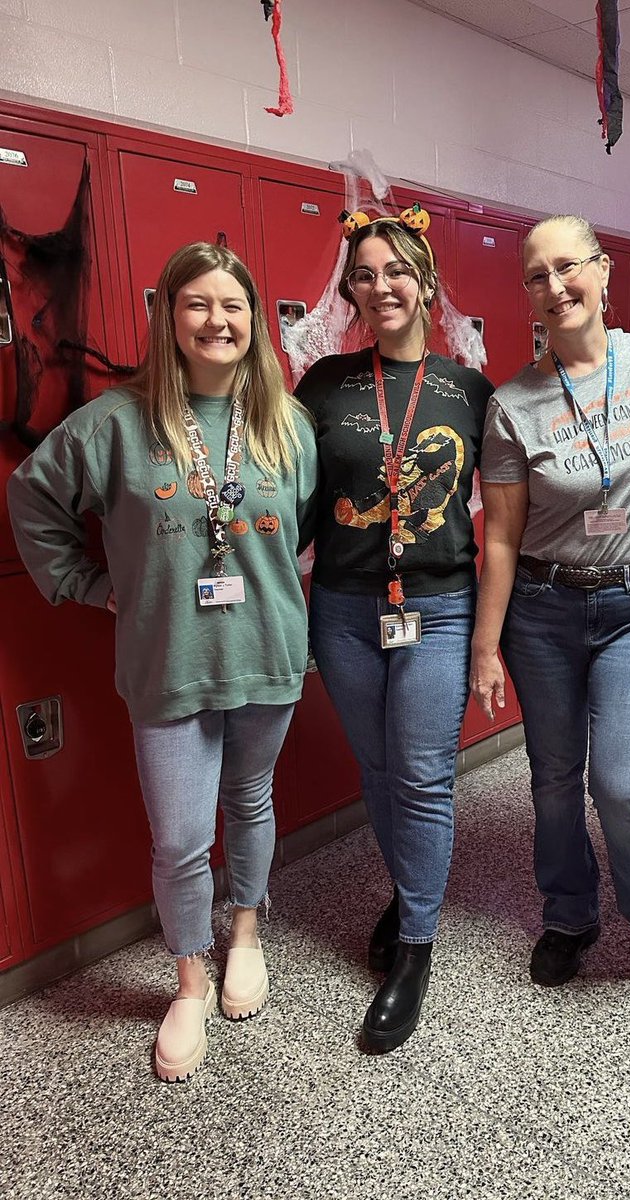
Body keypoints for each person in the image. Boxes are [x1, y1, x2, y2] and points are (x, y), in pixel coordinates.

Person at [7, 242, 318, 1081]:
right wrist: (85, 581)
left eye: (234, 306)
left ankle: (245, 932)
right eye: (198, 304)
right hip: (169, 661)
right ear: (169, 316)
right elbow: (31, 494)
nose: (218, 321)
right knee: (180, 837)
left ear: (254, 321)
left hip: (266, 651)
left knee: (250, 802)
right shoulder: (116, 422)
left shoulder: (285, 423)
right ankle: (188, 976)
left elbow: (301, 531)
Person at [470, 214, 630, 990]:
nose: (554, 286)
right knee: (549, 778)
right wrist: (485, 645)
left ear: (602, 272)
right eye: (536, 276)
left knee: (620, 781)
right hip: (543, 610)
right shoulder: (513, 405)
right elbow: (501, 537)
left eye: (567, 267)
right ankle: (567, 915)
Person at [294, 208, 492, 1053]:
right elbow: (293, 501)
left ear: (427, 281)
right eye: (364, 274)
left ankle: (414, 951)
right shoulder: (325, 383)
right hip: (342, 606)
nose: (381, 287)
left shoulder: (468, 389)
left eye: (396, 271)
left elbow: (518, 511)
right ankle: (413, 887)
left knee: (419, 774)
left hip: (438, 606)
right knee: (378, 769)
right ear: (349, 290)